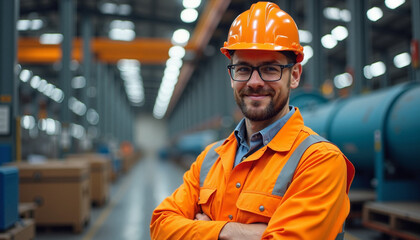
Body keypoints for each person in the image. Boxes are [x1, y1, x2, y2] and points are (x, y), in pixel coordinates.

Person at [150, 2, 355, 239]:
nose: (255, 82)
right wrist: (227, 232)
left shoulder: (320, 161)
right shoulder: (209, 159)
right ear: (231, 75)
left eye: (269, 69)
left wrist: (201, 228)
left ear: (295, 75)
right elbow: (160, 224)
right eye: (244, 69)